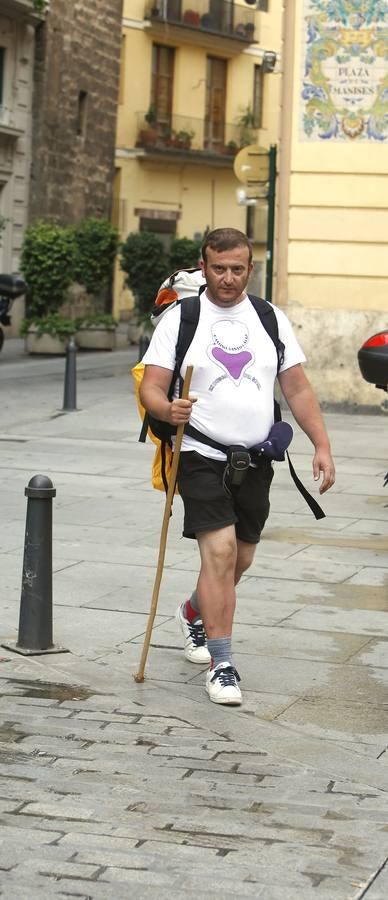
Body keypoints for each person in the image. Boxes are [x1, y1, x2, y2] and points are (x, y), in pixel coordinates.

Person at [140, 227, 335, 706]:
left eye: (237, 269)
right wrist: (168, 411)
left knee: (240, 558)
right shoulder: (181, 319)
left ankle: (194, 612)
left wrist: (322, 445)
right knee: (222, 553)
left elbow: (298, 389)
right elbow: (152, 386)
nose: (228, 278)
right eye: (219, 268)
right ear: (203, 267)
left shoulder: (270, 318)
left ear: (250, 269)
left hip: (258, 457)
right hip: (199, 454)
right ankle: (222, 663)